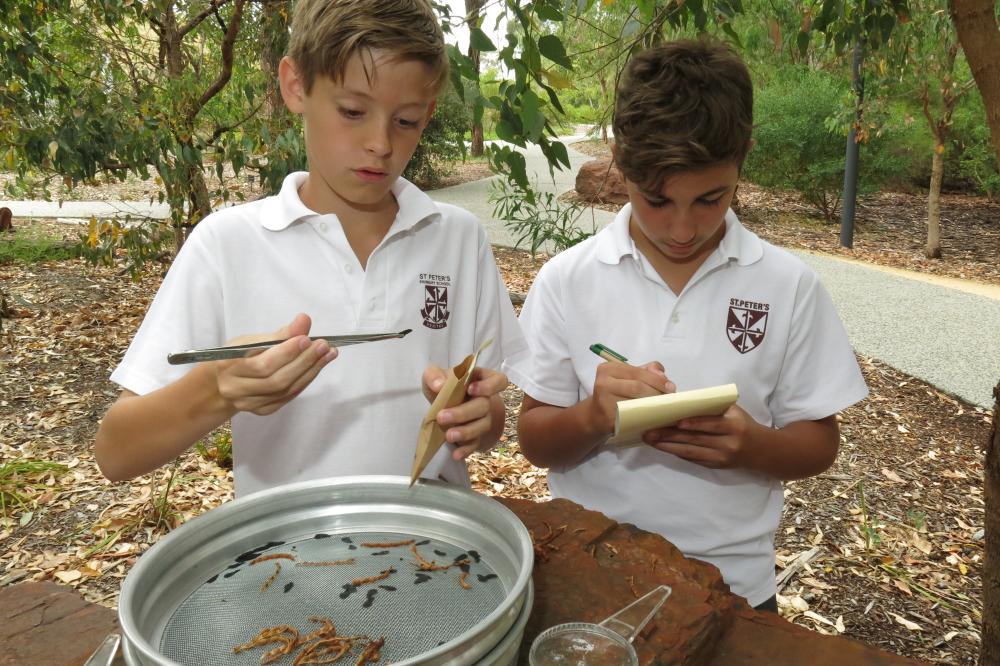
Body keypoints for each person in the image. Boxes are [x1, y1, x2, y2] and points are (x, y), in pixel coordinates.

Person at [95, 0, 526, 497]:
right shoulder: (228, 244)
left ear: (427, 114)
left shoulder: (457, 238)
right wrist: (217, 390)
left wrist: (477, 417)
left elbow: (488, 418)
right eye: (352, 112)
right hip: (288, 559)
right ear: (296, 86)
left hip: (430, 551)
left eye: (405, 121)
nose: (380, 143)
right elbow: (116, 454)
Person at [502, 39, 868, 612]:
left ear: (743, 155)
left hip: (734, 587)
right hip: (588, 573)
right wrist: (595, 415)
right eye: (656, 200)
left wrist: (753, 445)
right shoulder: (567, 280)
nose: (681, 228)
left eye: (710, 199)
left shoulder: (786, 286)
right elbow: (533, 439)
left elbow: (819, 444)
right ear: (621, 161)